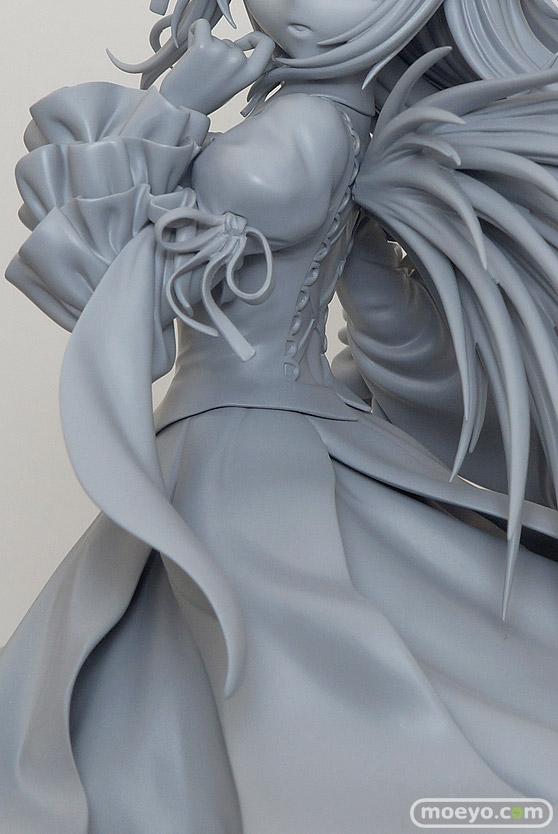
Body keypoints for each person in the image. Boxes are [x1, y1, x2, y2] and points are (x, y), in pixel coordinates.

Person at [3, 1, 558, 831]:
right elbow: (381, 311)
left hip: (245, 444)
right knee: (177, 663)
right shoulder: (345, 127)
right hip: (252, 429)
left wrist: (179, 103)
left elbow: (110, 279)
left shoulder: (301, 132)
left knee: (262, 662)